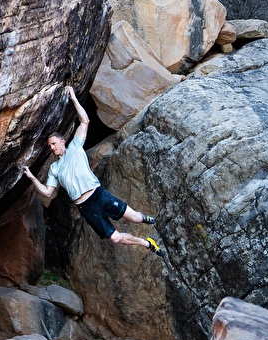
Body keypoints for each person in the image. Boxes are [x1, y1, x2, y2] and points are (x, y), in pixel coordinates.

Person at [21, 85, 166, 257]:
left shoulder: (75, 146)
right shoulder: (54, 168)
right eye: (49, 146)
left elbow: (85, 121)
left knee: (135, 218)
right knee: (115, 238)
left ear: (62, 142)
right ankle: (147, 243)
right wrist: (31, 177)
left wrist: (73, 97)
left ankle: (148, 219)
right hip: (85, 207)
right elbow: (47, 192)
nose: (51, 148)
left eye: (53, 144)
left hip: (98, 195)